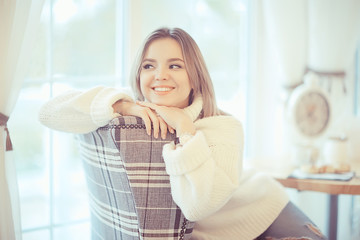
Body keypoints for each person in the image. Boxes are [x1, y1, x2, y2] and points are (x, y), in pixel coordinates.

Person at [39, 27, 327, 240]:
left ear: (195, 78)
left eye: (174, 65)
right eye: (149, 65)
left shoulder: (224, 127)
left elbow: (197, 206)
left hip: (261, 207)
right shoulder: (129, 112)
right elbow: (48, 112)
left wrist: (186, 130)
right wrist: (124, 104)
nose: (160, 75)